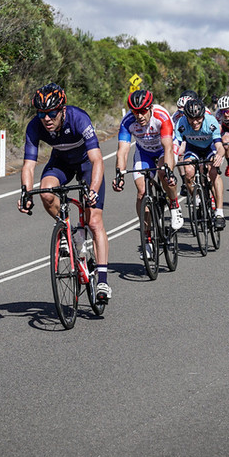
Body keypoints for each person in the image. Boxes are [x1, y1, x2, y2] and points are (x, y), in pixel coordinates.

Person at [17, 83, 111, 301]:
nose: (46, 118)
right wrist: (25, 193)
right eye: (41, 113)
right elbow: (29, 166)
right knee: (46, 193)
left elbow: (98, 159)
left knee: (94, 221)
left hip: (87, 164)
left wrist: (93, 191)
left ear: (62, 110)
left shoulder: (79, 119)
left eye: (51, 113)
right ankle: (69, 232)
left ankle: (103, 281)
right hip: (61, 162)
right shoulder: (35, 126)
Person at [112, 89, 183, 261]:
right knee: (142, 192)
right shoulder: (128, 121)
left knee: (163, 172)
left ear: (150, 107)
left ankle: (174, 206)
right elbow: (122, 151)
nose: (139, 115)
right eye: (136, 111)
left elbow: (167, 147)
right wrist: (119, 174)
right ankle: (147, 239)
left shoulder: (161, 116)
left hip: (162, 150)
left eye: (143, 110)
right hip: (143, 152)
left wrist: (168, 170)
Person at [173, 98, 226, 229]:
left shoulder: (211, 122)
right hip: (193, 149)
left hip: (210, 148)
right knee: (188, 171)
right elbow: (176, 146)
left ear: (203, 115)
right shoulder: (181, 123)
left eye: (198, 118)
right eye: (191, 119)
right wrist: (173, 159)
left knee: (213, 172)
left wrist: (219, 155)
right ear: (186, 117)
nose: (195, 122)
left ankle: (219, 213)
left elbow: (219, 145)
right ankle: (196, 198)